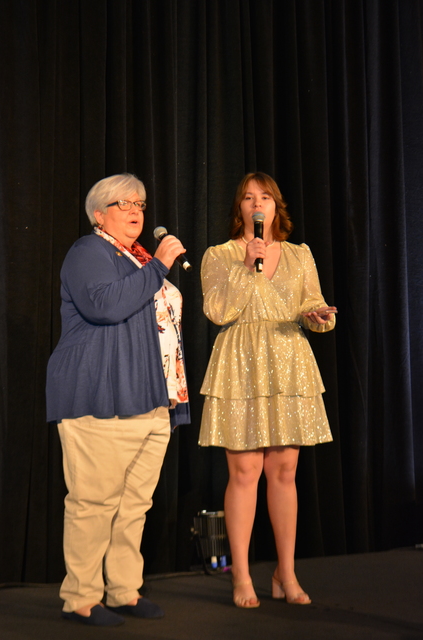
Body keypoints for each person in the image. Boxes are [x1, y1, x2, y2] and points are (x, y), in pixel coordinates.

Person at [46, 173, 190, 626]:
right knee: (93, 504)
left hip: (151, 399)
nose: (135, 211)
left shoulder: (139, 258)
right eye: (123, 203)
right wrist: (159, 267)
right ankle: (82, 598)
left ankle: (124, 590)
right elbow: (104, 305)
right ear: (98, 214)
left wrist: (153, 266)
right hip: (101, 395)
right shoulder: (88, 251)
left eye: (140, 204)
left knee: (134, 506)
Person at [199, 172, 336, 609]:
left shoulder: (299, 254)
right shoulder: (219, 255)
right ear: (239, 208)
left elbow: (311, 303)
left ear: (277, 206)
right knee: (244, 472)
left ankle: (285, 573)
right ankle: (241, 576)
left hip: (288, 361)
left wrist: (317, 316)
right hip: (240, 363)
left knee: (284, 471)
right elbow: (217, 311)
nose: (256, 204)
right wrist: (245, 265)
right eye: (248, 197)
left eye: (265, 197)